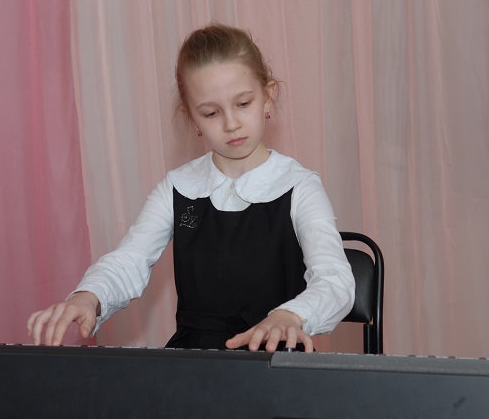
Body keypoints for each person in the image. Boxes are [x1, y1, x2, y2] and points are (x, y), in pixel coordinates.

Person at [27, 22, 355, 353]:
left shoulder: (300, 186)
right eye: (211, 113)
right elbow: (129, 260)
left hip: (277, 362)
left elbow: (335, 280)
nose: (231, 123)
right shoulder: (177, 187)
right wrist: (88, 296)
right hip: (194, 362)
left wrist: (291, 315)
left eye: (243, 104)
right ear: (192, 117)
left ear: (268, 97)